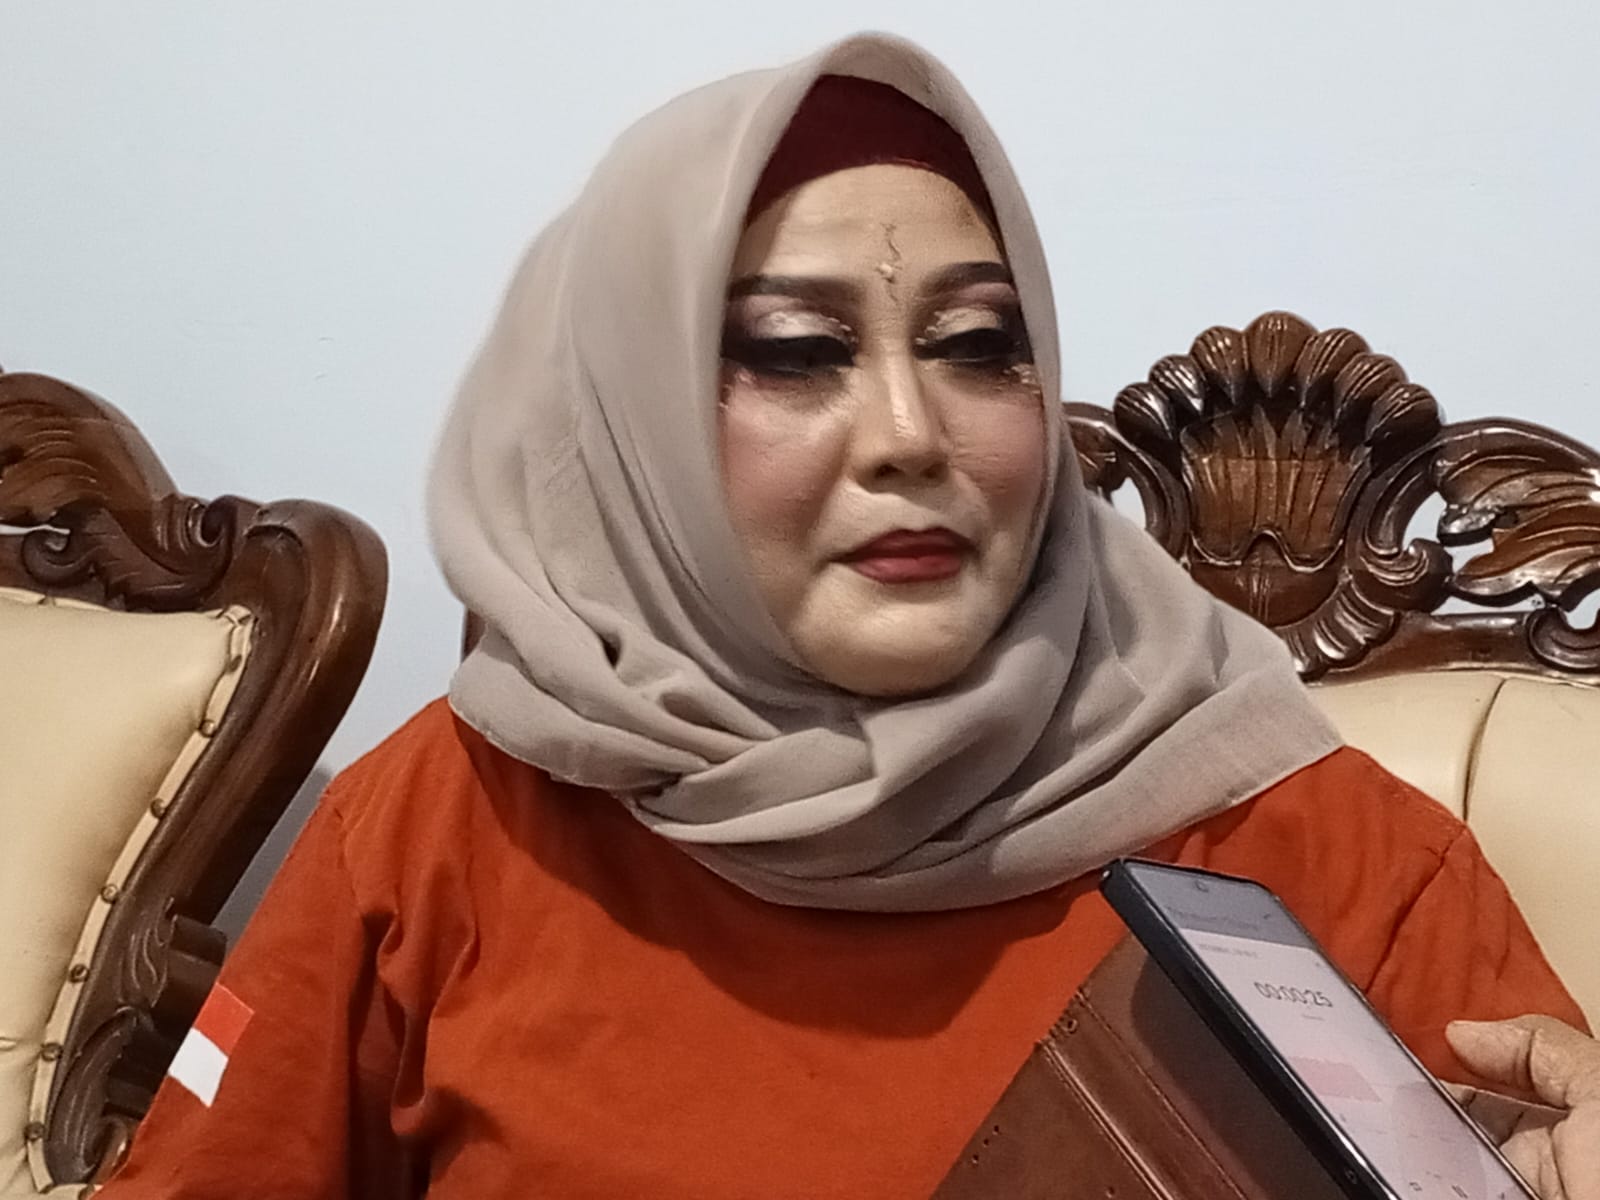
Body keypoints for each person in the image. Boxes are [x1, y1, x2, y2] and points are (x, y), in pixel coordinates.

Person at [98, 34, 1597, 1200]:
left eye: (979, 344)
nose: (909, 434)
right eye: (798, 351)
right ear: (630, 426)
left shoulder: (1328, 859)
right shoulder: (445, 825)